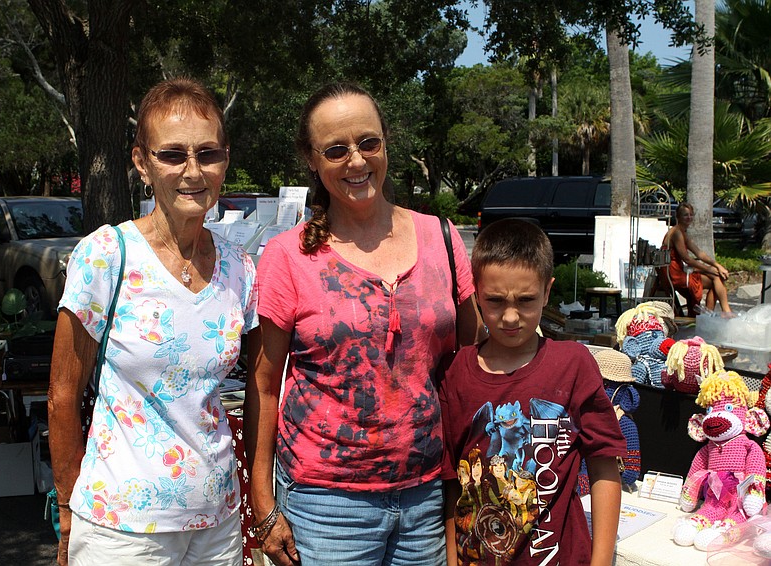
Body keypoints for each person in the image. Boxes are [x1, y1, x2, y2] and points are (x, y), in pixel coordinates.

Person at [244, 82, 483, 566]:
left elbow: (472, 352)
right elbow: (264, 386)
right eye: (336, 149)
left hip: (425, 499)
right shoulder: (288, 256)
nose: (356, 161)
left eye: (368, 143)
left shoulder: (440, 237)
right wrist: (263, 501)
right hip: (325, 506)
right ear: (311, 160)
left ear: (386, 142)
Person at [48, 77, 258, 566]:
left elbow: (261, 389)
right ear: (142, 162)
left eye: (208, 154)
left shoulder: (240, 268)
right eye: (173, 155)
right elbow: (62, 393)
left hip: (217, 523)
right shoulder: (106, 255)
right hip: (122, 529)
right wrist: (66, 508)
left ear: (225, 160)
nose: (193, 171)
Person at [438, 219, 624, 565]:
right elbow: (451, 486)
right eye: (494, 301)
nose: (510, 317)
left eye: (526, 300)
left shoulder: (573, 365)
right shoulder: (454, 374)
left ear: (548, 292)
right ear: (475, 292)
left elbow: (604, 467)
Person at [661, 202, 732, 316]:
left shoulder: (682, 233)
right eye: (685, 215)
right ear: (678, 217)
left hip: (679, 271)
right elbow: (687, 259)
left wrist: (717, 266)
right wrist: (709, 269)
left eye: (690, 214)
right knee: (716, 278)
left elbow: (699, 254)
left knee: (717, 276)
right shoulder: (677, 233)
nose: (689, 217)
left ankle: (710, 314)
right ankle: (722, 312)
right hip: (674, 274)